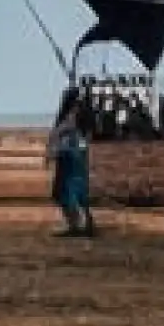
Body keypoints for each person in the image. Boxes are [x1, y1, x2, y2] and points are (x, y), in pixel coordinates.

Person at [47, 88, 95, 237]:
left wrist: (51, 152)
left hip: (68, 156)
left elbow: (57, 134)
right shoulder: (84, 114)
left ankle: (75, 225)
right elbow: (87, 138)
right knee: (78, 191)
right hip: (78, 156)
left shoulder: (70, 116)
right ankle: (84, 223)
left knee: (66, 191)